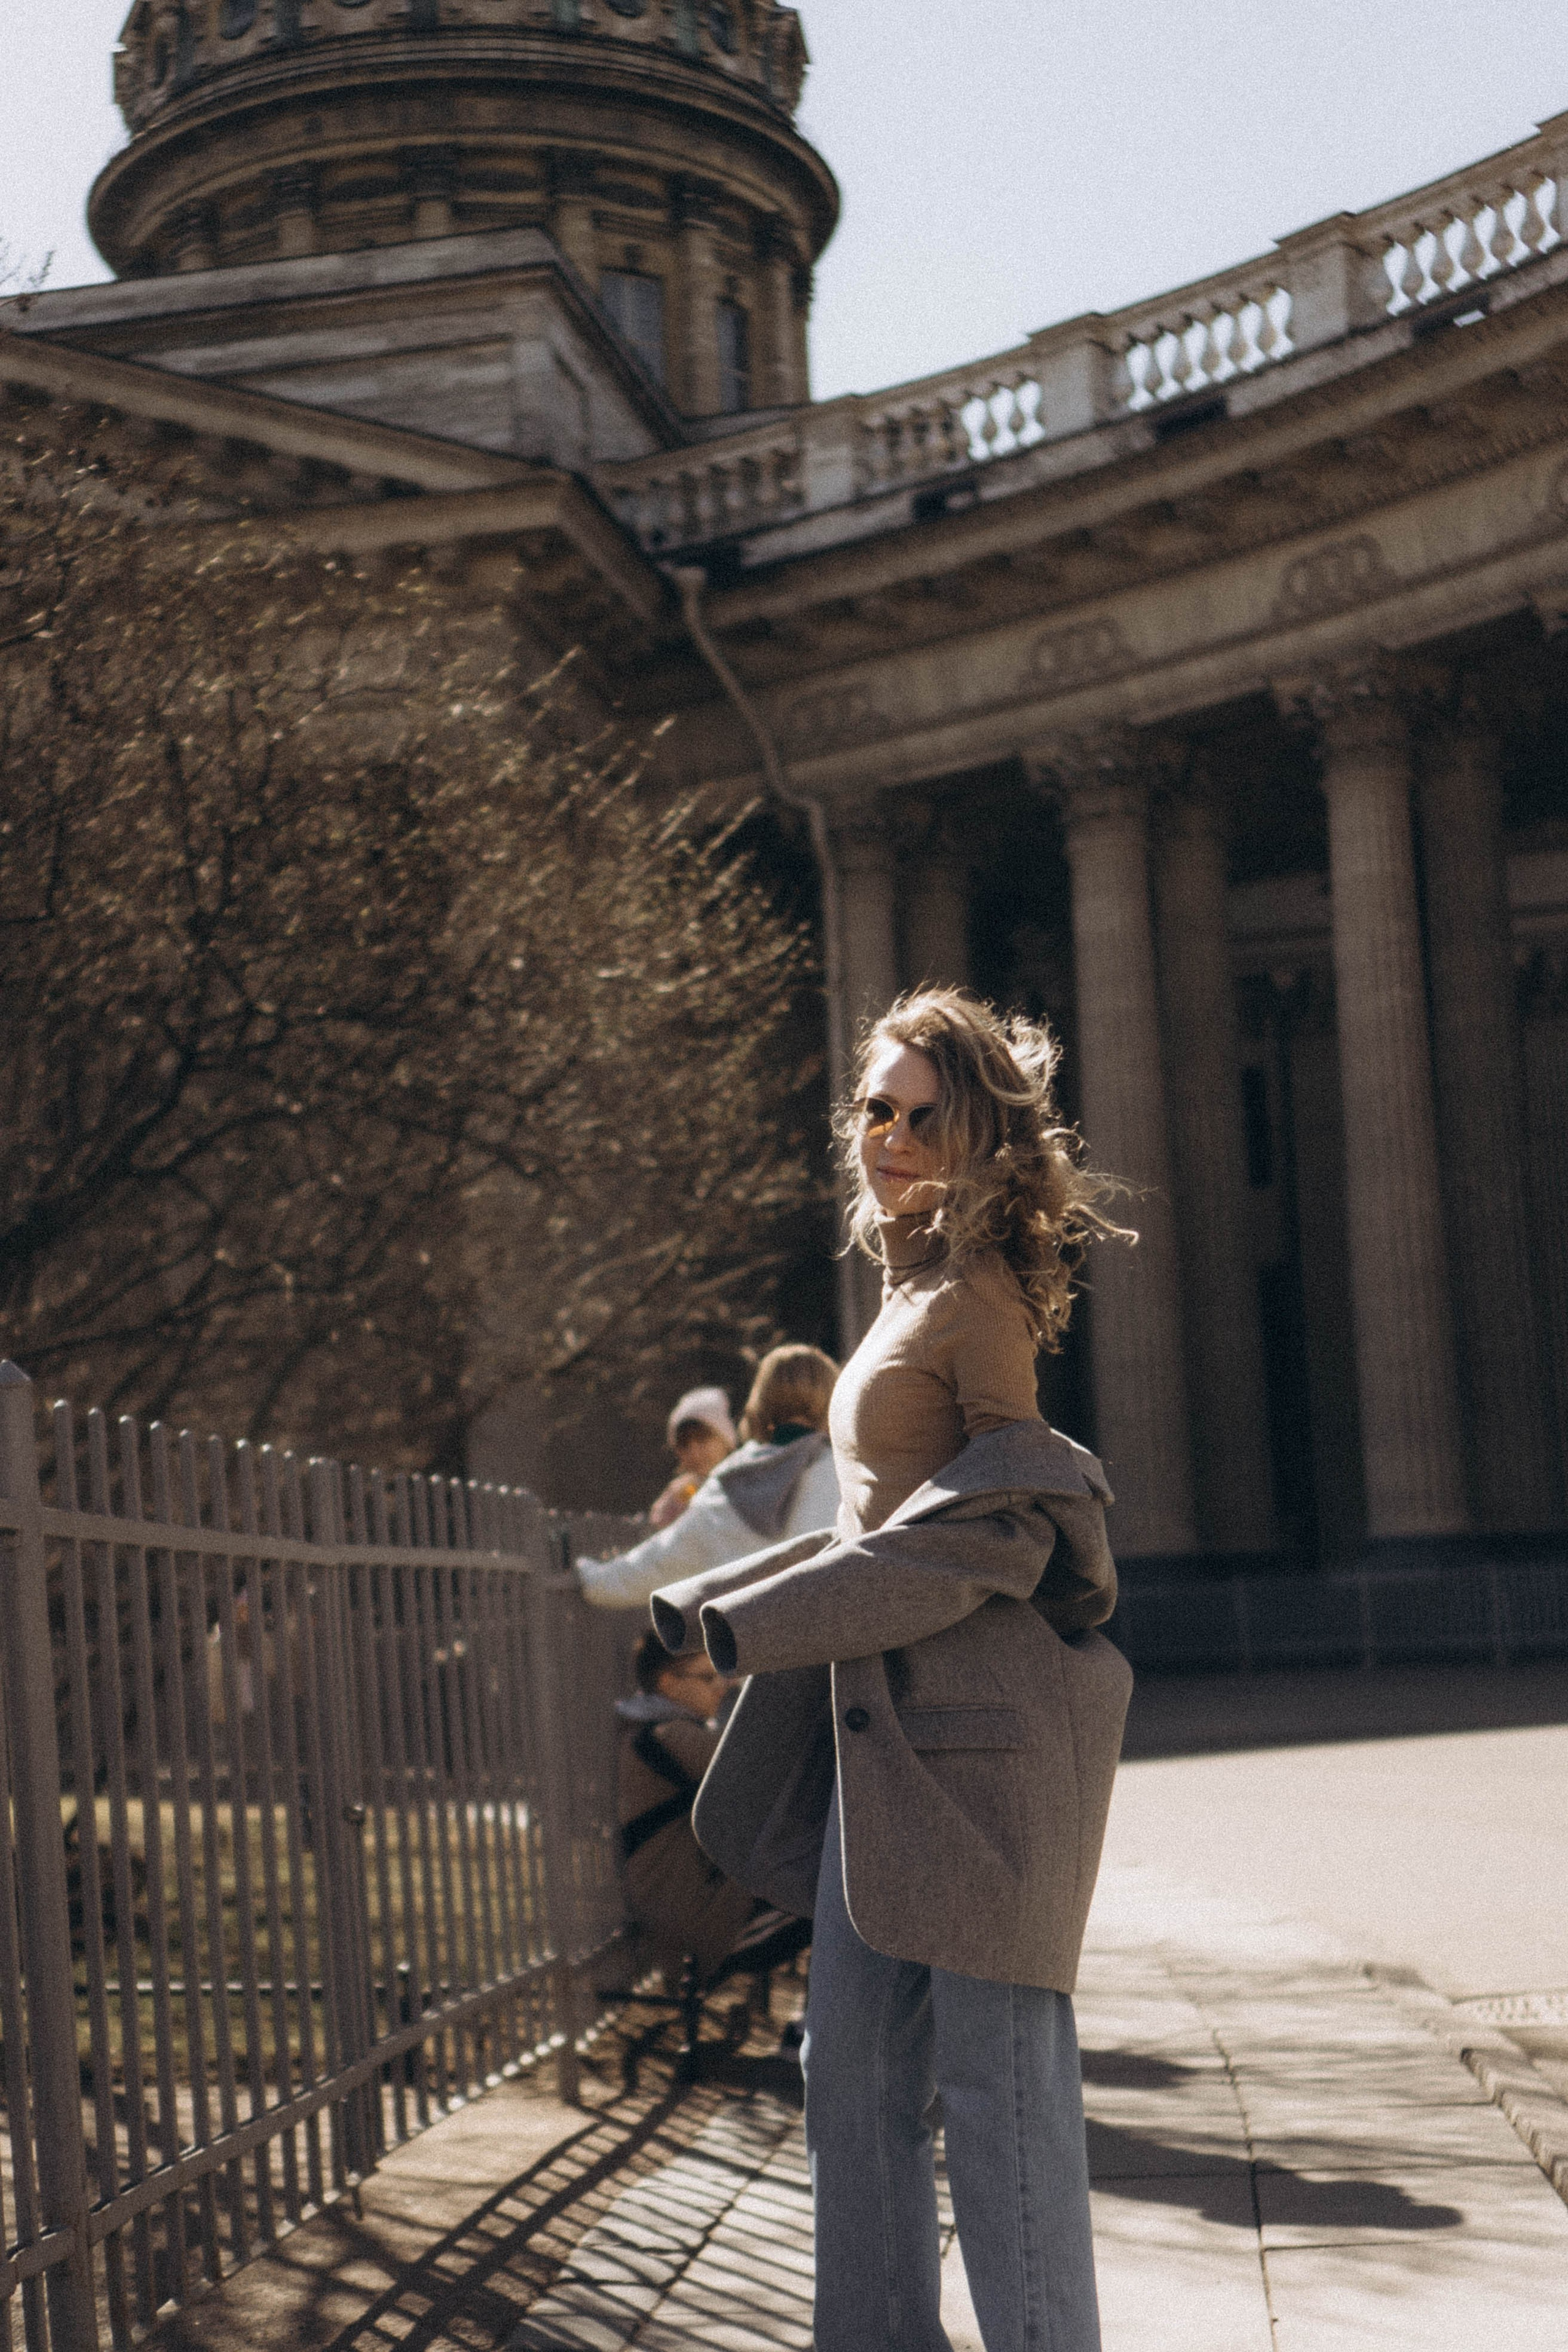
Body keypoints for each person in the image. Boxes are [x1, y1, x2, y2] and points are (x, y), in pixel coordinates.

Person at [648, 989, 1134, 2352]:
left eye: (926, 1115)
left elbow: (1001, 1526)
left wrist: (749, 1624)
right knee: (848, 2074)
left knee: (999, 2097)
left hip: (978, 1750)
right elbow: (885, 1526)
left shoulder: (974, 1297)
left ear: (979, 1132)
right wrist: (716, 1597)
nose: (894, 1136)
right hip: (886, 1741)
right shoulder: (906, 1285)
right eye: (877, 1109)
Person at [578, 1344, 840, 1610]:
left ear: (761, 1399)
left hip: (746, 1644)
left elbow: (660, 1561)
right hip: (830, 1645)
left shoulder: (731, 1482)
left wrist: (593, 1579)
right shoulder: (847, 1476)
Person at [617, 1629, 811, 1986]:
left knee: (832, 1898)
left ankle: (812, 2026)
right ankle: (810, 2033)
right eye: (707, 1677)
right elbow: (766, 1773)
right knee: (839, 1906)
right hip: (700, 1919)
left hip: (694, 1905)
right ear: (669, 1683)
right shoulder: (668, 1735)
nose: (722, 1686)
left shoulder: (650, 1729)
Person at [648, 1385, 737, 1529]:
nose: (694, 1452)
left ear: (725, 1440)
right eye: (684, 1444)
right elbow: (660, 1535)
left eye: (702, 1439)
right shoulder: (686, 1491)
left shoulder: (747, 1481)